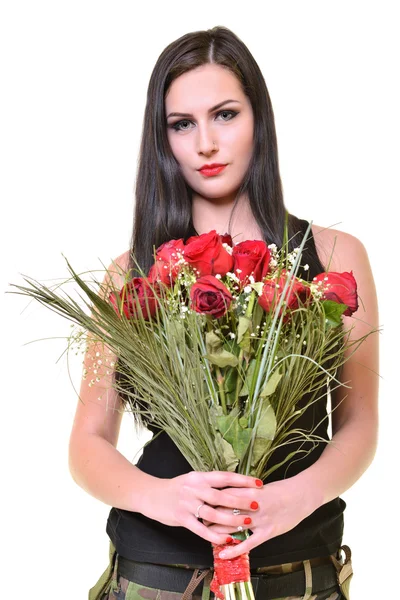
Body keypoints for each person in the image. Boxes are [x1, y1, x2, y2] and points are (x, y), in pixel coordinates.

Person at [68, 26, 379, 600]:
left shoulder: (335, 257)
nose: (205, 143)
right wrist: (162, 498)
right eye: (182, 125)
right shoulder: (130, 273)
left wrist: (292, 499)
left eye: (225, 115)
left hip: (298, 570)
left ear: (259, 117)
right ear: (163, 140)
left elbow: (358, 424)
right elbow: (87, 444)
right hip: (155, 574)